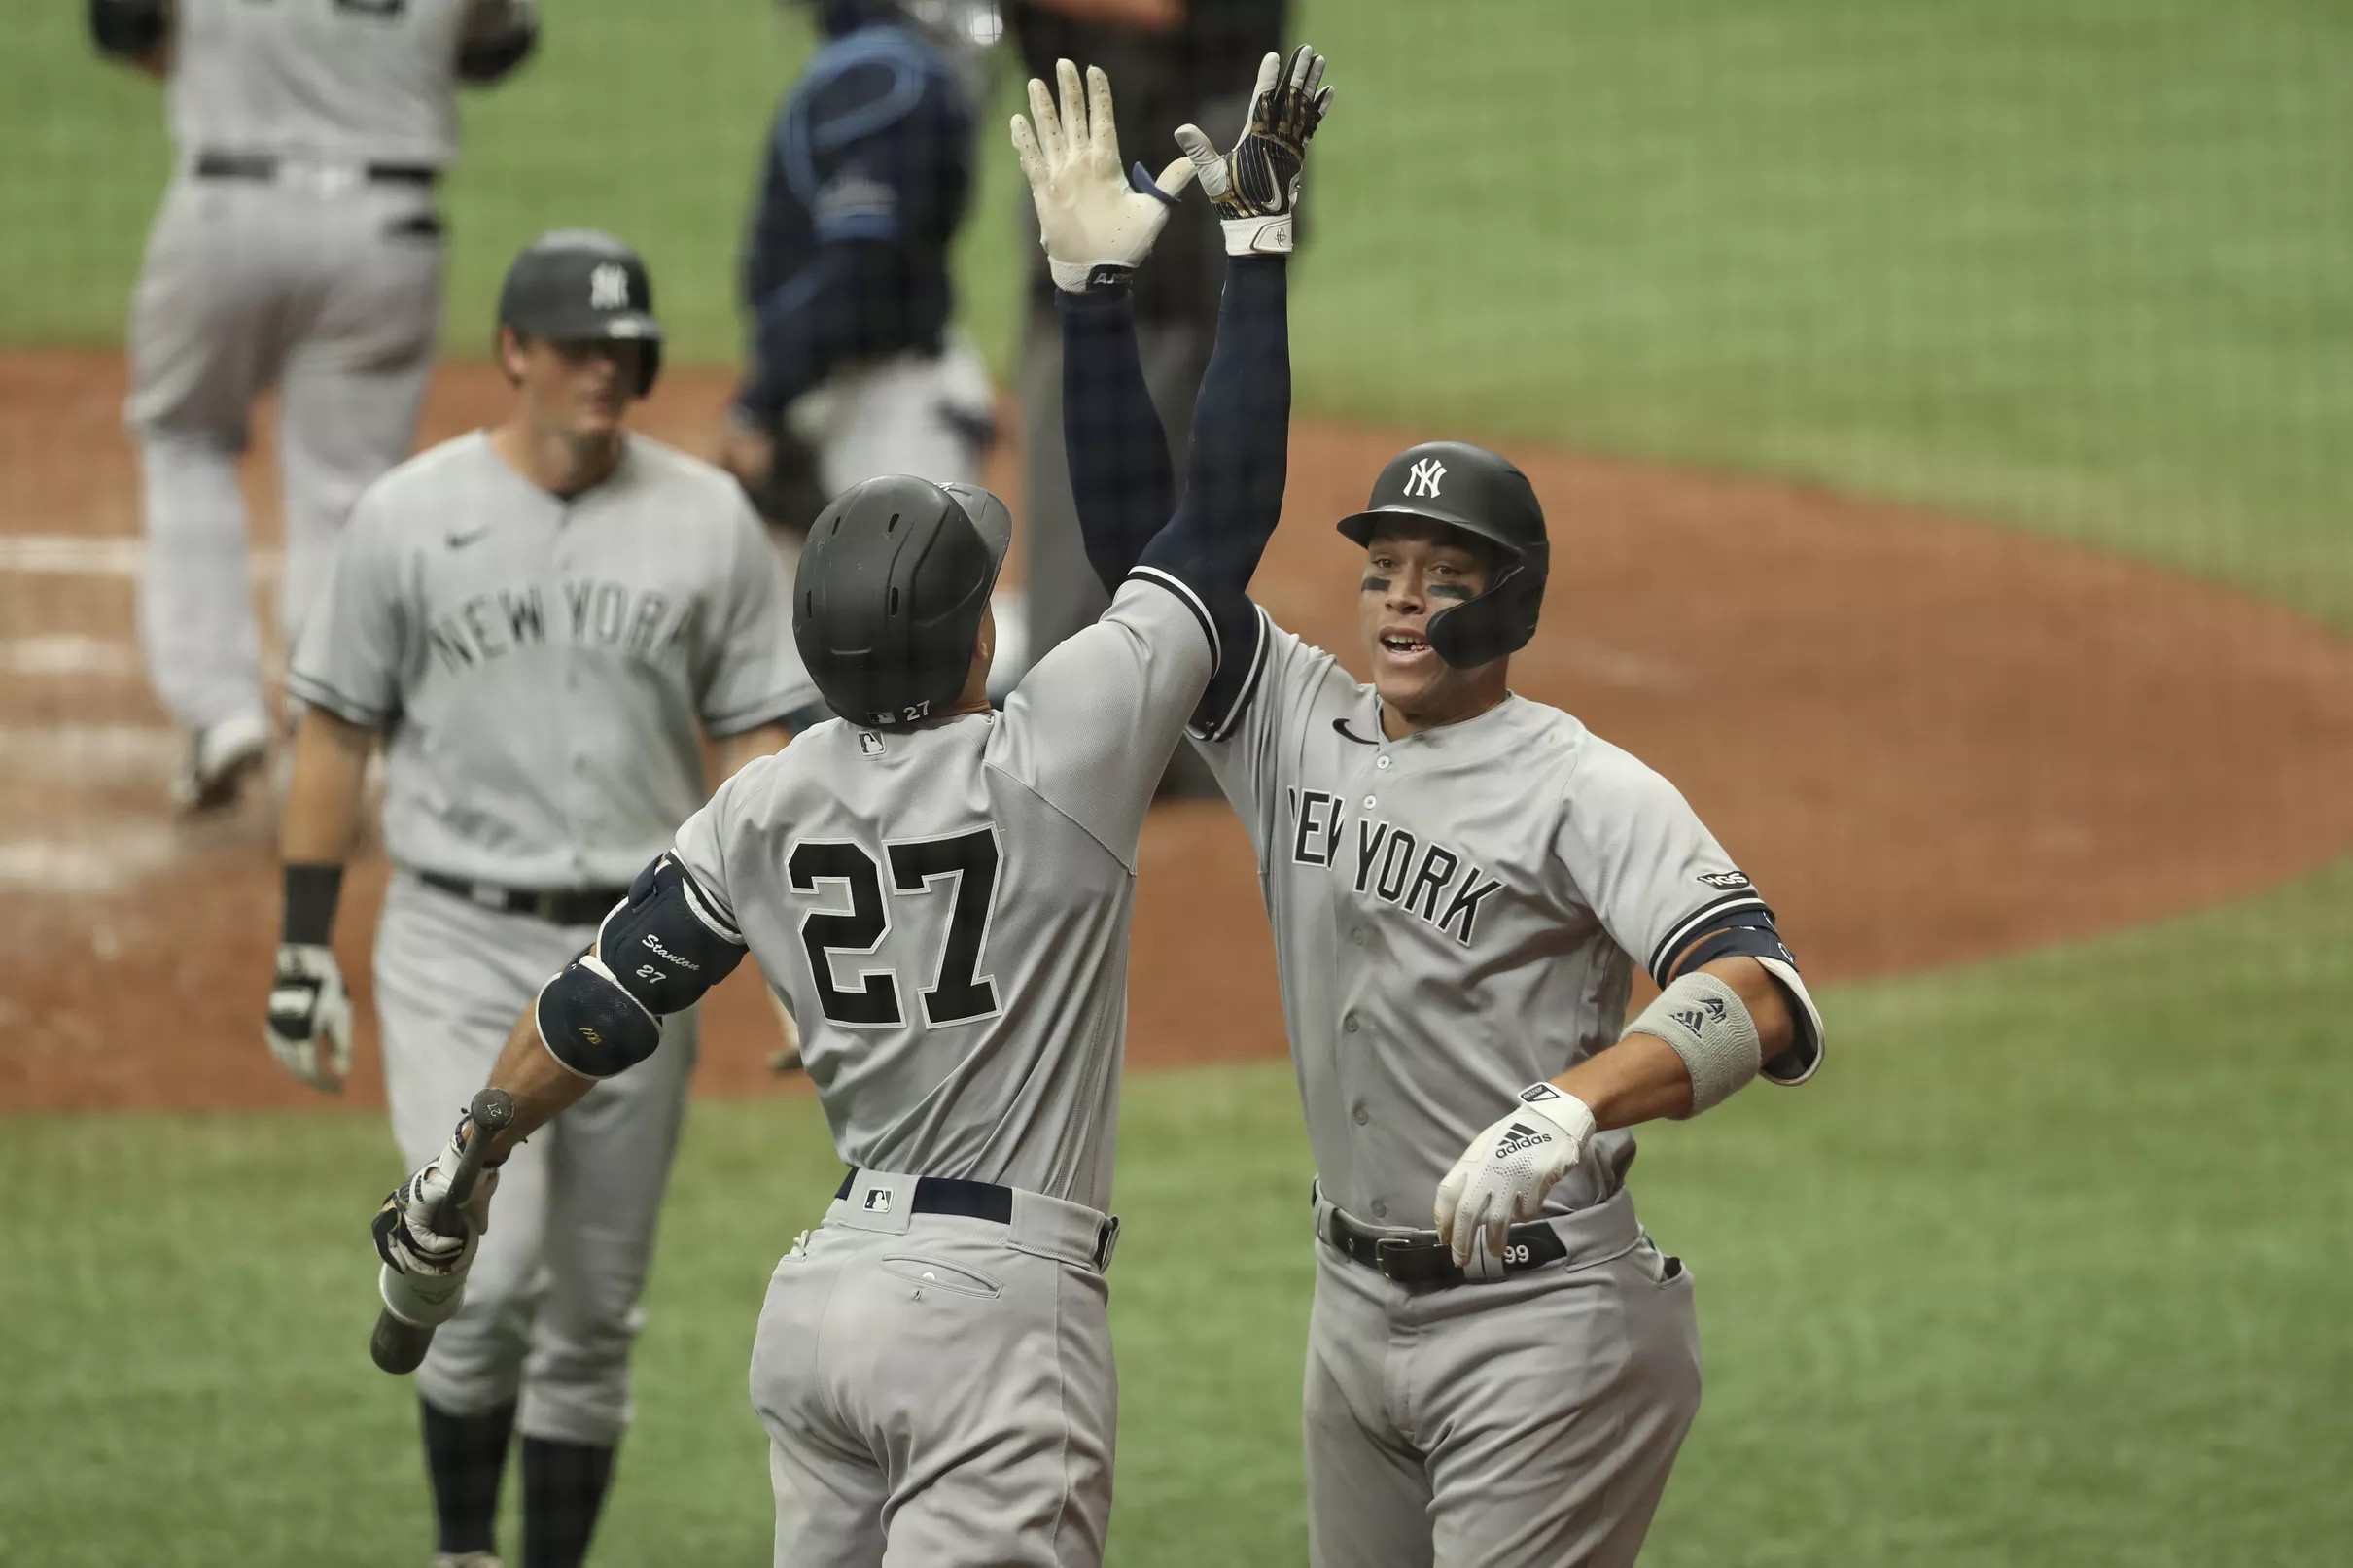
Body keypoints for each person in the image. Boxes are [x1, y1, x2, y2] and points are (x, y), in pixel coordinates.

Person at [366, 54, 1327, 1567]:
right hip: (998, 1319)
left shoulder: (761, 802)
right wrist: (1241, 260)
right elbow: (1209, 530)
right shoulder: (1060, 755)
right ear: (967, 644)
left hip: (819, 1311)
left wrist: (475, 1145)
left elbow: (601, 1003)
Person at [1061, 82, 1830, 1568]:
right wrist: (1104, 300)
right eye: (1387, 566)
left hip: (1547, 1323)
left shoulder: (1585, 787)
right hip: (1352, 1315)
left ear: (1515, 596)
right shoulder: (1296, 720)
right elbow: (1141, 577)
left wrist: (1571, 1107)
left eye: (1445, 571)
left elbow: (1765, 996)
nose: (1405, 596)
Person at [265, 231, 812, 1568]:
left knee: (596, 1309)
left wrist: (792, 955)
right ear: (513, 353)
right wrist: (301, 945)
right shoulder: (407, 516)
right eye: (578, 348)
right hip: (456, 936)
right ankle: (464, 1546)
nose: (606, 373)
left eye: (627, 351)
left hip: (646, 951)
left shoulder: (707, 520)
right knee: (488, 1275)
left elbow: (759, 753)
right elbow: (335, 734)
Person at [88, 0, 540, 811]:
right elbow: (499, 48)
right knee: (347, 485)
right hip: (387, 229)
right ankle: (330, 725)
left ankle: (217, 716)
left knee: (187, 436)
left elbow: (120, 26)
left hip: (225, 210)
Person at [998, 0, 1284, 777]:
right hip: (1131, 136)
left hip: (1174, 146)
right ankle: (1165, 729)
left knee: (1124, 402)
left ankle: (1099, 743)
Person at [716, 0, 1001, 545]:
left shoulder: (877, 77)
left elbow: (864, 270)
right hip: (861, 397)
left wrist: (760, 401)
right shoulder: (896, 66)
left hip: (882, 415)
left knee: (893, 613)